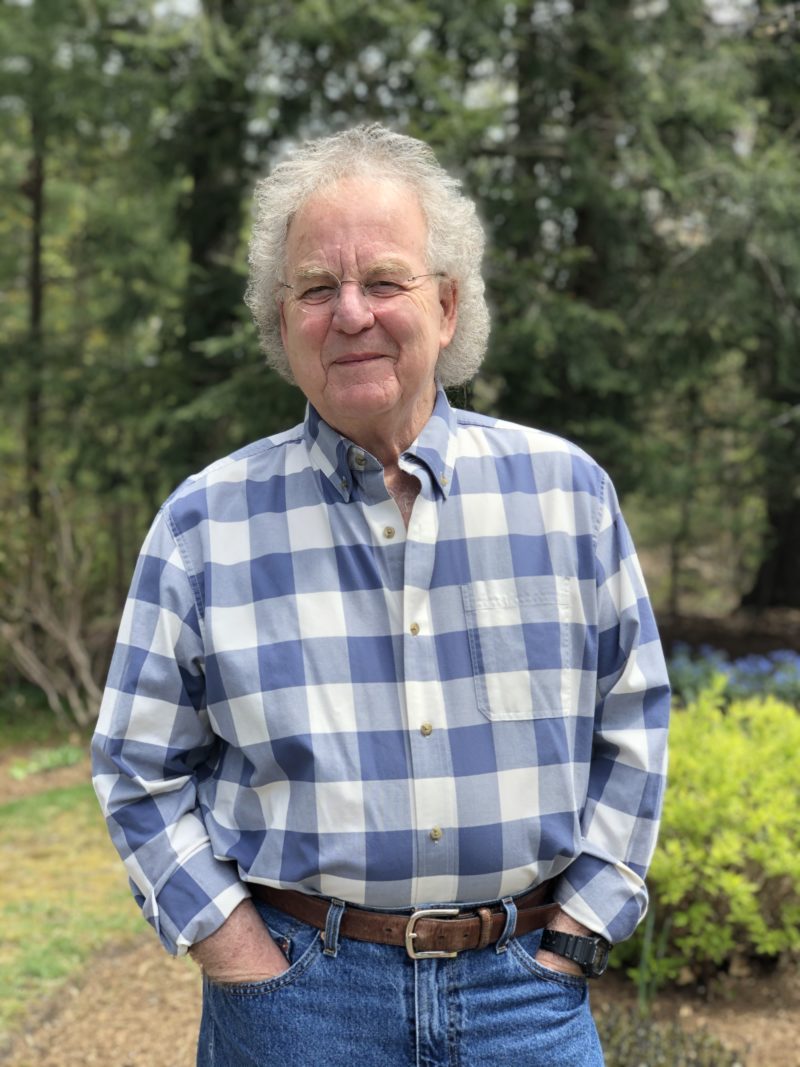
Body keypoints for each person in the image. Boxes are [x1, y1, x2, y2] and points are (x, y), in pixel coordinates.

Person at [92, 123, 670, 1066]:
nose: (350, 312)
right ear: (283, 322)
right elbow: (136, 765)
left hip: (527, 998)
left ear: (446, 305)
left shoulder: (566, 494)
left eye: (384, 282)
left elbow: (635, 721)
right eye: (316, 289)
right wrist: (241, 957)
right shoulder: (205, 523)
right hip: (296, 1006)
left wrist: (578, 934)